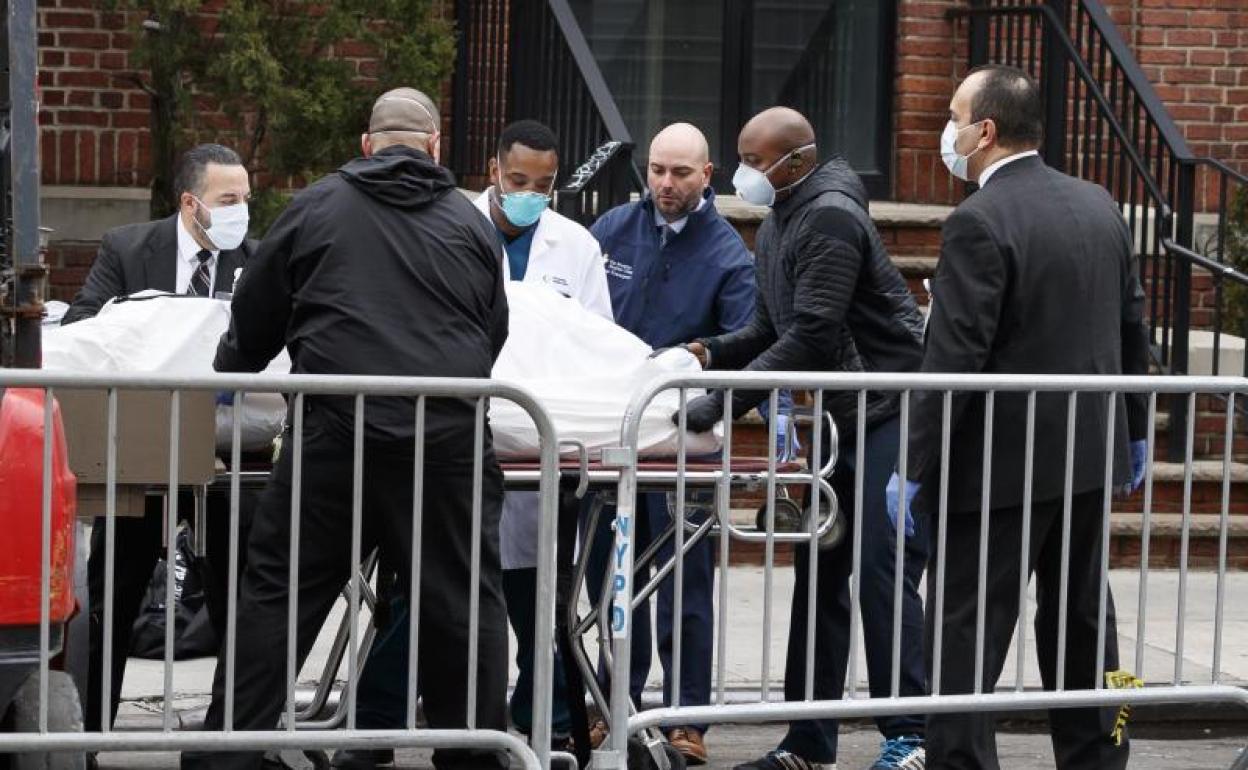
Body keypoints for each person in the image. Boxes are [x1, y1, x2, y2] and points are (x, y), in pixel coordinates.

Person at [180, 87, 511, 770]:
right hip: (442, 433)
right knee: (461, 602)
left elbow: (257, 312)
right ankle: (475, 754)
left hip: (339, 429)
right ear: (435, 145)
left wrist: (230, 371)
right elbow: (491, 328)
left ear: (366, 145)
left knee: (281, 591)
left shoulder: (317, 207)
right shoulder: (468, 221)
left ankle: (228, 755)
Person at [330, 119, 612, 769]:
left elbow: (592, 340)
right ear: (492, 170)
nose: (529, 196)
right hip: (451, 439)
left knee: (537, 600)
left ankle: (541, 727)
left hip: (537, 444)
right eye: (518, 182)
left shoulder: (576, 247)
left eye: (543, 186)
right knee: (424, 591)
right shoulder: (443, 222)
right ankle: (374, 726)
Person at [892, 64, 1148, 770]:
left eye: (953, 116)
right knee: (1085, 622)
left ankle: (961, 763)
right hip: (1085, 458)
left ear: (986, 131)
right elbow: (1133, 326)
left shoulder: (980, 219)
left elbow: (954, 362)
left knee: (967, 629)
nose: (947, 131)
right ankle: (1102, 754)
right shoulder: (1099, 203)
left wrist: (915, 468)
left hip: (994, 471)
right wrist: (1131, 428)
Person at [679, 108, 929, 770]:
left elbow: (813, 333)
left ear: (796, 161)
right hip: (850, 414)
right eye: (742, 158)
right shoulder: (784, 217)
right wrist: (706, 354)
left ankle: (912, 734)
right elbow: (769, 327)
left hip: (894, 405)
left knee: (882, 567)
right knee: (819, 571)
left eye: (755, 162)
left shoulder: (830, 218)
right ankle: (808, 742)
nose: (744, 174)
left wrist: (724, 405)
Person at [62, 143, 257, 736]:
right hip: (142, 450)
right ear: (190, 203)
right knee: (115, 593)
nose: (240, 212)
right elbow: (83, 328)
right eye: (228, 200)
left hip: (223, 456)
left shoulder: (256, 258)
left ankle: (235, 733)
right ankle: (93, 734)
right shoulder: (129, 248)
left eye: (246, 199)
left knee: (238, 598)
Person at [586, 122, 756, 766]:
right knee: (607, 578)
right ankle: (611, 708)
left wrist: (712, 406)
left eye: (680, 173)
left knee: (685, 583)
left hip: (684, 444)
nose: (664, 183)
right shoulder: (611, 230)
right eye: (657, 169)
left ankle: (687, 720)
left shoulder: (728, 255)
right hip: (610, 435)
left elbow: (744, 348)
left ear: (707, 175)